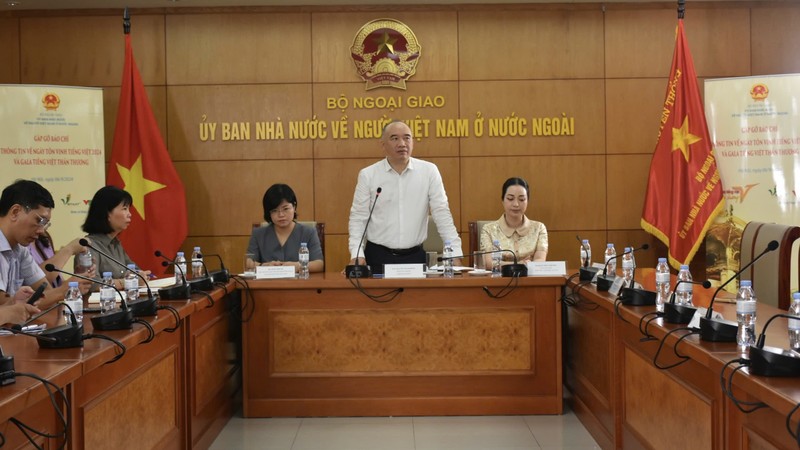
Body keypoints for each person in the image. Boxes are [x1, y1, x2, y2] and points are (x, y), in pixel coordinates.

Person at [347, 120, 462, 274]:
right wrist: (357, 254)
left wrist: (454, 252)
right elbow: (358, 218)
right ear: (383, 145)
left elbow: (442, 213)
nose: (402, 143)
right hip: (377, 256)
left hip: (415, 257)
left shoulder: (429, 171)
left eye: (407, 138)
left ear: (412, 142)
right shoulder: (368, 175)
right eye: (394, 138)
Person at [78, 186, 150, 287]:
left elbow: (134, 270)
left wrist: (142, 275)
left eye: (129, 209)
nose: (130, 214)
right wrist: (125, 283)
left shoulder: (115, 243)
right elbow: (91, 284)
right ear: (107, 213)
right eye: (124, 209)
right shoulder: (88, 246)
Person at [0, 180, 50, 321]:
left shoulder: (20, 249)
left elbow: (46, 291)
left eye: (45, 224)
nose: (41, 231)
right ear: (15, 212)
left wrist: (15, 302)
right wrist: (65, 290)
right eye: (39, 221)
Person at [247, 184, 324, 273]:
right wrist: (264, 266)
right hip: (267, 284)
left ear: (294, 207)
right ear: (268, 213)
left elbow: (319, 264)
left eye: (285, 209)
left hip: (300, 284)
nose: (281, 215)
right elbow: (248, 262)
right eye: (274, 211)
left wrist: (298, 266)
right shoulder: (258, 234)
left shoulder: (308, 232)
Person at [480, 177, 548, 268]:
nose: (516, 204)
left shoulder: (539, 228)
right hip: (499, 280)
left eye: (521, 199)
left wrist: (503, 264)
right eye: (510, 199)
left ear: (528, 201)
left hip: (530, 280)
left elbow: (540, 260)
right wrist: (521, 264)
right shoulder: (488, 230)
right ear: (503, 200)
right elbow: (488, 263)